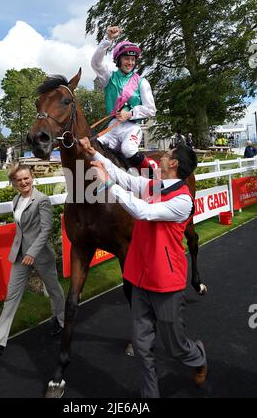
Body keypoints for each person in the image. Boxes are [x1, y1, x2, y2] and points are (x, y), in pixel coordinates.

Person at [79, 137, 207, 398]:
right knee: (141, 345)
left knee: (175, 346)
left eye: (167, 153)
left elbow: (142, 211)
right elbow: (124, 178)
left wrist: (108, 185)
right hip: (138, 277)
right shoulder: (155, 185)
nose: (161, 155)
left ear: (173, 163)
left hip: (165, 283)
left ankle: (197, 356)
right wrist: (94, 154)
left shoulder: (183, 201)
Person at [0, 164, 65, 355]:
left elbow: (46, 229)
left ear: (32, 177)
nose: (24, 182)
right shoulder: (16, 199)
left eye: (26, 178)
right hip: (19, 255)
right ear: (14, 183)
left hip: (40, 254)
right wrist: (23, 252)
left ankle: (62, 320)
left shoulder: (42, 200)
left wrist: (32, 253)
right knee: (12, 295)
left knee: (53, 289)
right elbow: (21, 229)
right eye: (19, 180)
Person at [91, 25, 156, 176]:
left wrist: (130, 114)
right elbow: (95, 63)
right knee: (94, 148)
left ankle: (151, 177)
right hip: (113, 126)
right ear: (118, 60)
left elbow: (151, 109)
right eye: (127, 58)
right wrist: (108, 39)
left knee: (128, 149)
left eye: (133, 59)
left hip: (131, 127)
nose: (130, 62)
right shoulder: (109, 77)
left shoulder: (142, 82)